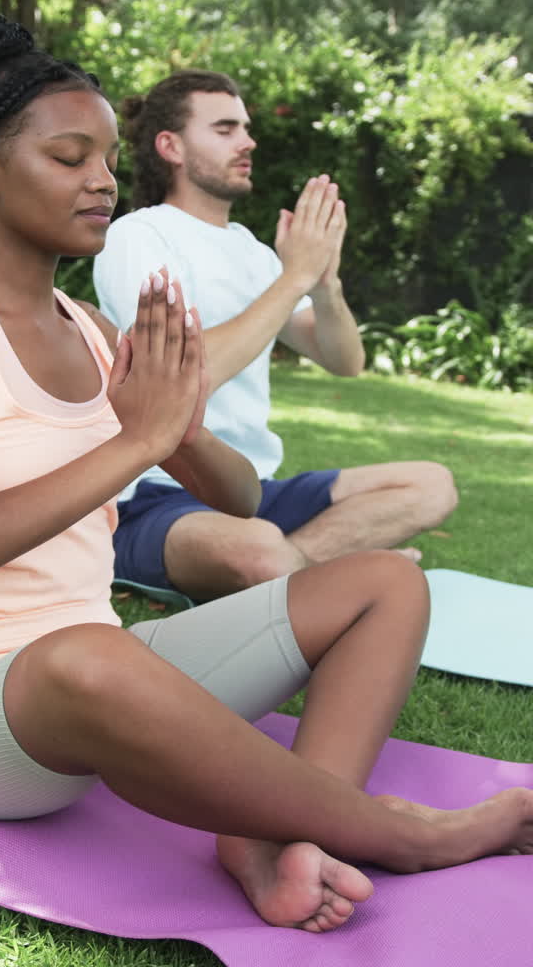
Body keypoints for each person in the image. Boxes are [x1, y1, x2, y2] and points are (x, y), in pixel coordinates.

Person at [0, 9, 533, 939]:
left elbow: (242, 500)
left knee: (382, 584)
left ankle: (278, 839)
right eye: (68, 158)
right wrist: (131, 447)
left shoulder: (97, 335)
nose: (101, 180)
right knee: (86, 655)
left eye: (104, 158)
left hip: (101, 676)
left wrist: (176, 426)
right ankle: (395, 834)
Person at [93, 71, 458, 602]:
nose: (248, 142)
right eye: (224, 129)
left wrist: (324, 285)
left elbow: (344, 360)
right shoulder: (139, 235)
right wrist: (292, 279)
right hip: (157, 495)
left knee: (430, 486)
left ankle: (296, 569)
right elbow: (181, 380)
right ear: (170, 146)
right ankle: (308, 569)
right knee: (260, 551)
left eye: (245, 128)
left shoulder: (254, 252)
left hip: (254, 491)